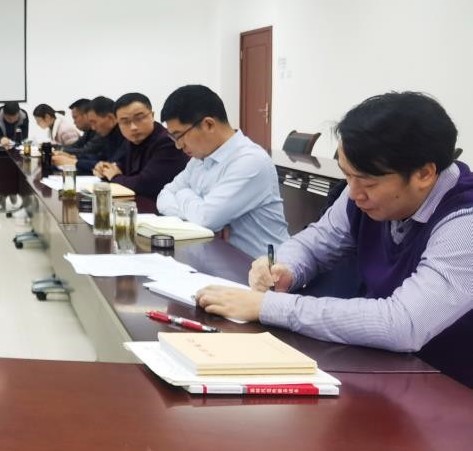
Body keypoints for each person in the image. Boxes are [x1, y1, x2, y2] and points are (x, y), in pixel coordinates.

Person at [196, 92, 473, 388]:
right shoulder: (363, 194)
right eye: (347, 176)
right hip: (386, 368)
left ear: (424, 174)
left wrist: (268, 307)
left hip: (450, 386)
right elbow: (317, 241)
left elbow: (403, 323)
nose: (353, 194)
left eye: (367, 182)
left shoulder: (464, 221)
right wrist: (285, 268)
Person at [155, 84, 288, 258]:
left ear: (208, 124)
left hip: (259, 266)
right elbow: (163, 197)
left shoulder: (249, 161)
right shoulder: (198, 160)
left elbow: (206, 219)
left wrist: (183, 194)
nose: (178, 145)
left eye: (179, 136)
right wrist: (197, 213)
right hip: (216, 258)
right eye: (173, 138)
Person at [93, 92, 187, 199]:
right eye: (125, 122)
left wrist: (114, 176)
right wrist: (105, 169)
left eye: (139, 118)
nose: (133, 127)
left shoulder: (167, 142)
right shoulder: (130, 140)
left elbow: (145, 185)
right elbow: (120, 165)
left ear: (152, 115)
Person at [53, 97, 125, 174]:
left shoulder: (123, 136)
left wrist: (74, 162)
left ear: (111, 118)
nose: (93, 128)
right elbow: (98, 158)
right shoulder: (108, 134)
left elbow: (111, 165)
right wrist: (73, 157)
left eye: (94, 122)